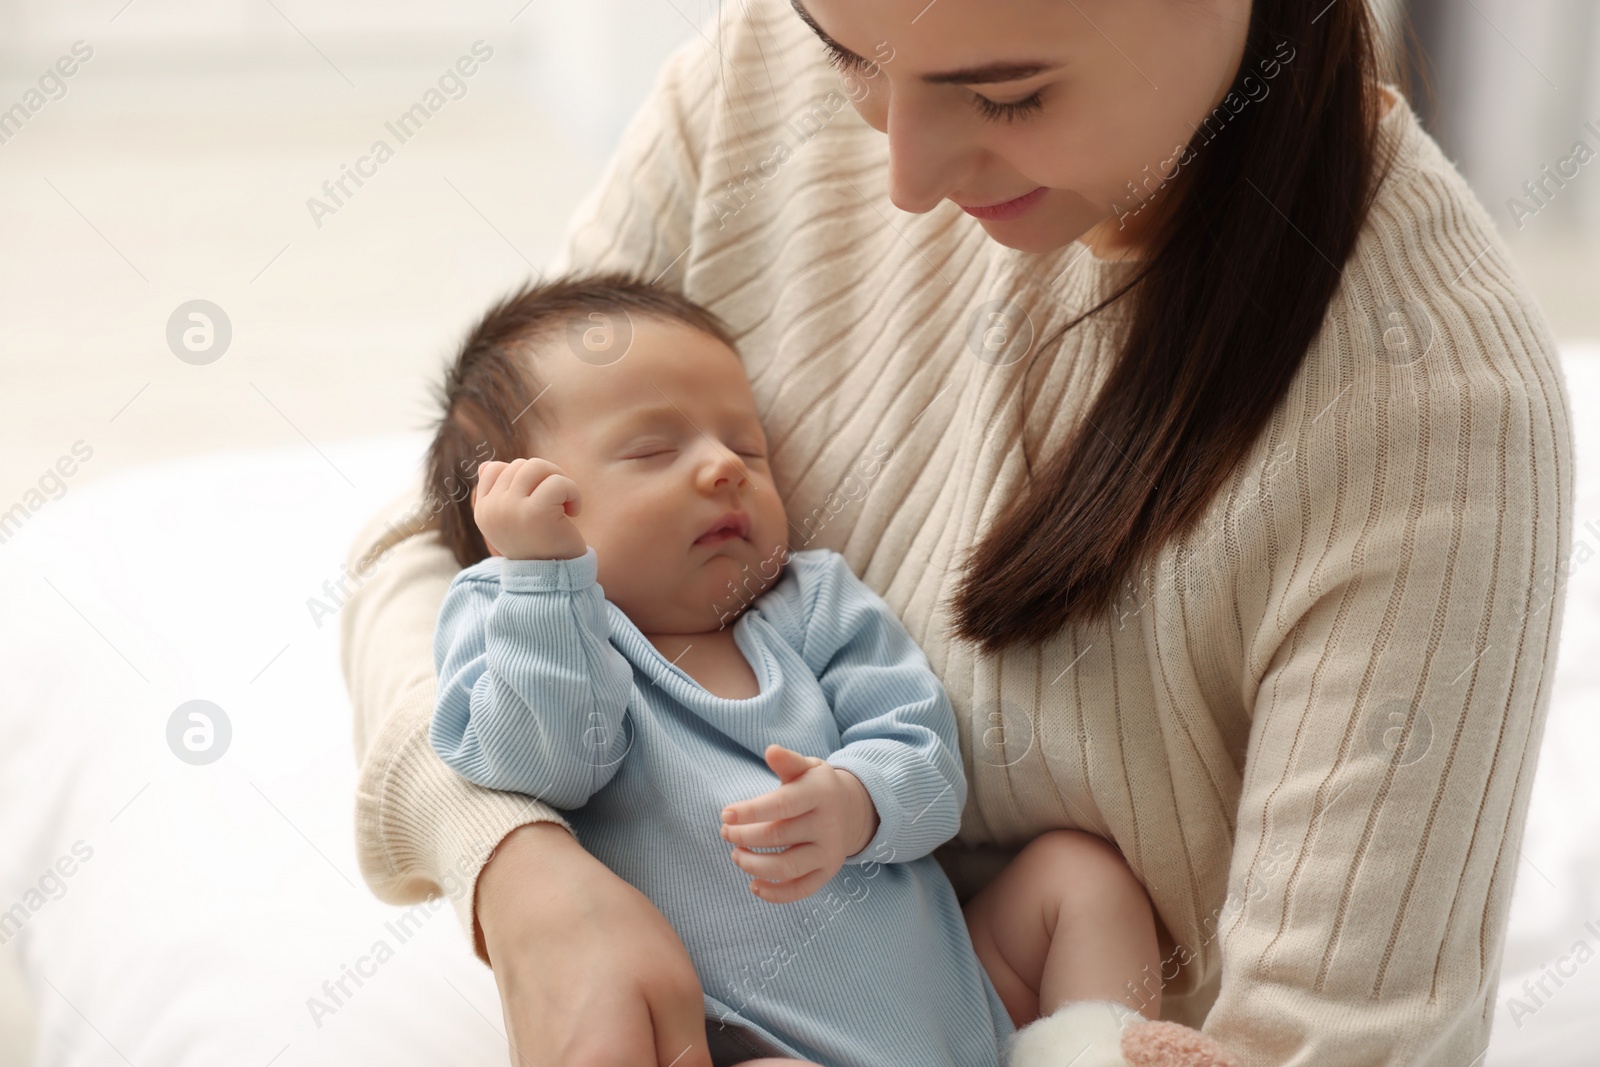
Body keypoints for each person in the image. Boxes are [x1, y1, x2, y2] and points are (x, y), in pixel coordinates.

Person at [337, 1, 1576, 1064]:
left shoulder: (1434, 413)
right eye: (851, 66)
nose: (906, 180)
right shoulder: (771, 61)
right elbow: (437, 539)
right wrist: (522, 872)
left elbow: (1330, 1035)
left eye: (1009, 96)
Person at [420, 274, 1232, 1067]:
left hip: (970, 1002)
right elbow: (543, 765)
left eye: (746, 445)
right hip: (765, 1043)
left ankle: (1085, 1049)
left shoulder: (811, 603)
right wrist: (543, 582)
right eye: (655, 449)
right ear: (514, 512)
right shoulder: (516, 614)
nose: (723, 468)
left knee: (1079, 876)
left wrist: (858, 802)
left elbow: (923, 754)